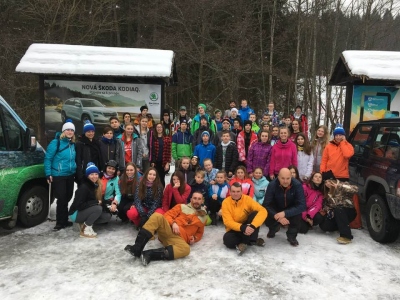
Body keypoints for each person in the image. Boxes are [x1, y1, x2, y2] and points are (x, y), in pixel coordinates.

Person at [124, 191, 208, 266]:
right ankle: (137, 248)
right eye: (195, 198)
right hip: (168, 230)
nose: (196, 201)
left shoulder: (203, 218)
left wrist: (195, 238)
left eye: (199, 199)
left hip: (178, 240)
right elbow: (167, 215)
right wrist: (173, 223)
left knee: (186, 249)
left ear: (202, 201)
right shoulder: (181, 206)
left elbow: (200, 233)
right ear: (191, 199)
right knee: (157, 216)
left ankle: (149, 254)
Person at [44, 119, 77, 231]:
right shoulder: (56, 142)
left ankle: (64, 219)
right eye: (68, 129)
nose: (70, 132)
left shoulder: (72, 143)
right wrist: (48, 173)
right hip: (58, 175)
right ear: (63, 131)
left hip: (70, 174)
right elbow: (48, 158)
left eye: (72, 130)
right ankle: (59, 222)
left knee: (67, 197)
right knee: (62, 198)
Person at [262, 168, 306, 246]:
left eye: (288, 178)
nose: (285, 181)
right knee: (266, 214)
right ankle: (273, 228)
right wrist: (276, 215)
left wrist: (285, 213)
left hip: (291, 209)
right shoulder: (272, 185)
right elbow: (266, 204)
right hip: (276, 210)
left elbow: (302, 205)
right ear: (278, 177)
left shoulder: (297, 185)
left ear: (291, 177)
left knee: (297, 215)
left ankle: (291, 236)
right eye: (282, 178)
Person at [222, 182, 268, 255]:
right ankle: (250, 240)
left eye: (238, 191)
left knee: (255, 213)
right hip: (235, 228)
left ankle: (246, 242)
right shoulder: (225, 202)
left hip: (249, 226)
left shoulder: (247, 199)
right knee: (227, 240)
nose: (235, 194)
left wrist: (253, 226)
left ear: (241, 192)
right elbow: (227, 222)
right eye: (233, 191)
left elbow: (263, 211)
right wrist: (242, 227)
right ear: (230, 192)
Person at [68, 163, 109, 238]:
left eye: (96, 174)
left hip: (84, 211)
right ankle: (85, 230)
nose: (94, 176)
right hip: (75, 214)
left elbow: (97, 200)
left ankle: (85, 223)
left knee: (106, 216)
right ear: (87, 176)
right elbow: (79, 205)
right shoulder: (84, 187)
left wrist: (108, 205)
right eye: (92, 174)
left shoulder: (94, 185)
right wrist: (96, 203)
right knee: (98, 209)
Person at [318, 178, 358, 244]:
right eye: (326, 182)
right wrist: (328, 211)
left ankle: (346, 236)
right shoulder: (328, 193)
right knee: (324, 226)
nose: (328, 183)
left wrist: (339, 186)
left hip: (348, 211)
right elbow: (326, 205)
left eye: (329, 181)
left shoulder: (343, 185)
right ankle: (340, 226)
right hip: (336, 214)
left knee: (338, 209)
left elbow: (355, 189)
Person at [75, 120, 103, 185]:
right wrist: (80, 176)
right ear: (85, 132)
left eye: (92, 131)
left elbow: (100, 158)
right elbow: (78, 160)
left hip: (96, 174)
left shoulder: (96, 143)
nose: (91, 133)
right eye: (88, 132)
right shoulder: (80, 144)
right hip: (85, 174)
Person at [150, 123, 172, 187]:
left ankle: (161, 194)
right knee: (154, 178)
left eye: (160, 127)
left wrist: (167, 163)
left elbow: (169, 152)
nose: (159, 129)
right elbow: (152, 151)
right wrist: (152, 161)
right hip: (155, 162)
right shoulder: (153, 138)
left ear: (163, 129)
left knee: (162, 179)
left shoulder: (167, 139)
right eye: (158, 127)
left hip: (164, 162)